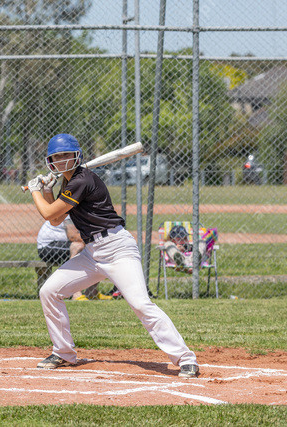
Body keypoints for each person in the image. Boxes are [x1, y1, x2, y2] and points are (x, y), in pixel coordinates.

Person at [26, 134, 199, 378]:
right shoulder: (67, 182)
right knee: (49, 291)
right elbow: (55, 219)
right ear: (50, 161)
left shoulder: (82, 180)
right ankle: (63, 352)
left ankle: (186, 359)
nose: (62, 160)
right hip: (91, 253)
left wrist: (35, 191)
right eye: (57, 157)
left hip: (117, 248)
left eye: (66, 155)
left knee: (141, 304)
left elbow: (47, 214)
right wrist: (46, 190)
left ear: (77, 156)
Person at [37, 218, 111, 301]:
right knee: (78, 246)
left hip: (64, 244)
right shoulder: (70, 212)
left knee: (95, 248)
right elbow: (72, 236)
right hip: (48, 247)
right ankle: (76, 294)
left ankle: (92, 292)